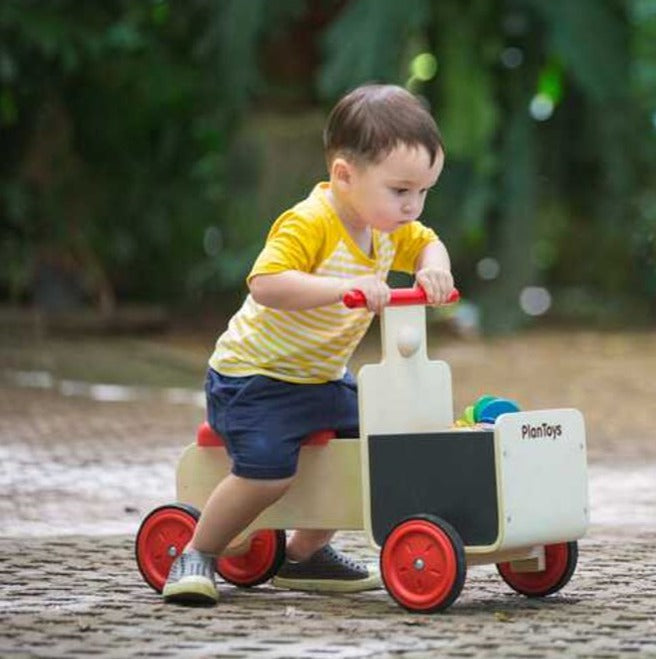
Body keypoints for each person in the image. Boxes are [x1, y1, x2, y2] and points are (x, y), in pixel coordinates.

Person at [163, 84, 454, 605]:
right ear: (345, 175)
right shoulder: (311, 222)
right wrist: (345, 291)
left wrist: (436, 270)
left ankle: (305, 554)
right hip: (253, 380)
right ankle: (198, 552)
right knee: (268, 475)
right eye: (401, 190)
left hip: (320, 380)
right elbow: (266, 283)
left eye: (423, 192)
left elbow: (428, 242)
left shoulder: (389, 227)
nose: (413, 206)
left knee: (381, 447)